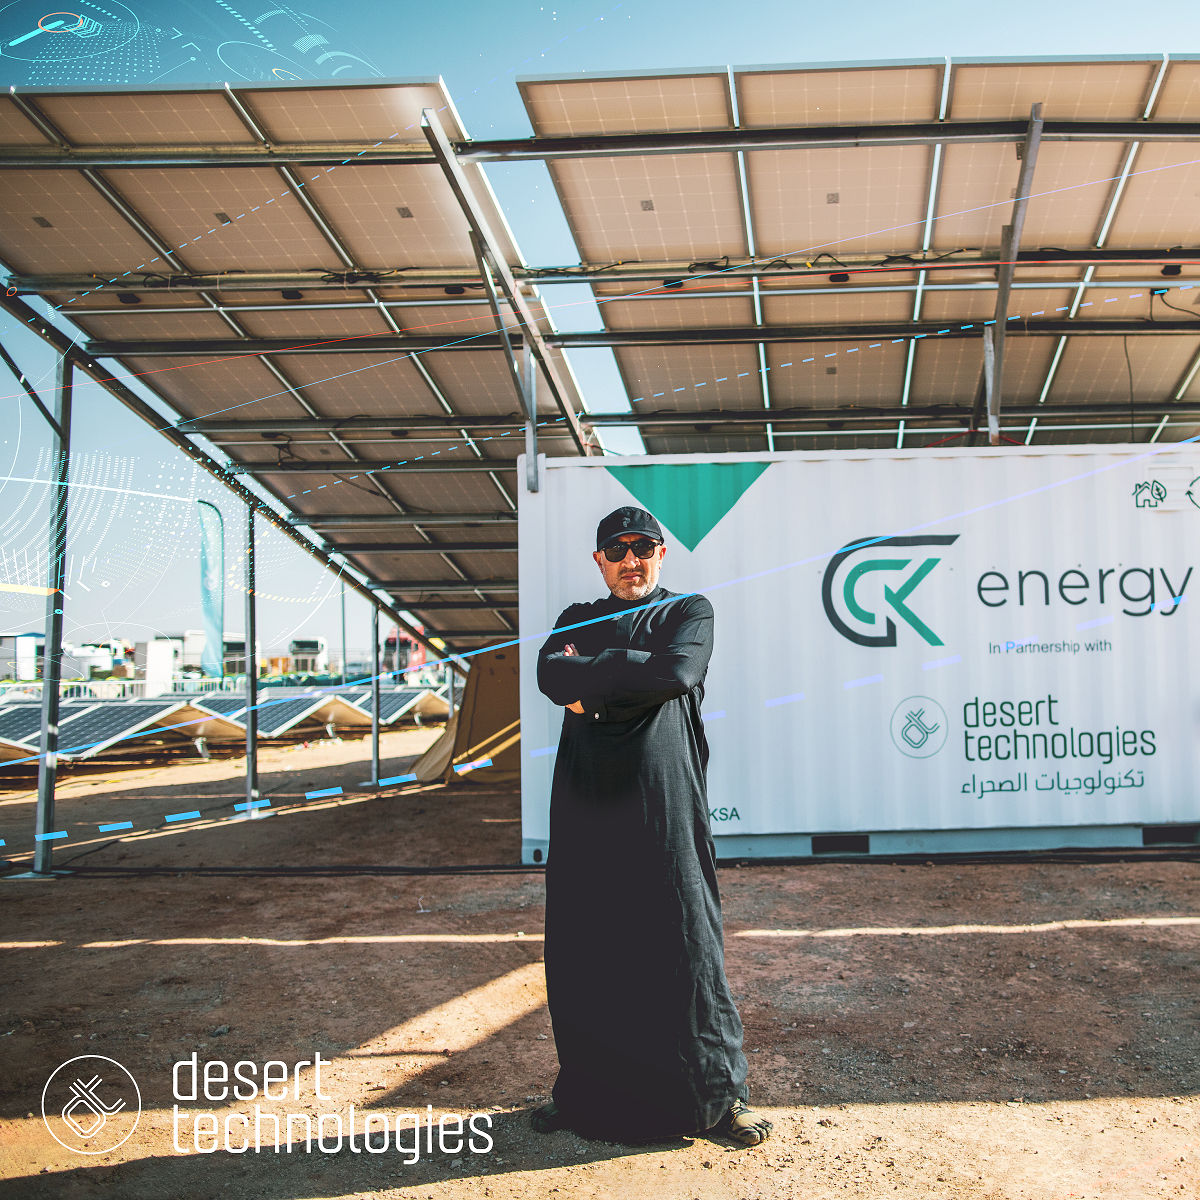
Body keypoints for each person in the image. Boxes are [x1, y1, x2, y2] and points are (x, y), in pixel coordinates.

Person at [531, 505, 772, 1146]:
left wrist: (592, 687)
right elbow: (550, 674)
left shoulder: (689, 612)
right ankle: (584, 1094)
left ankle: (719, 1100)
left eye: (643, 547)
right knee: (585, 946)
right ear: (599, 560)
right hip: (585, 802)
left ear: (661, 553)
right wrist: (631, 672)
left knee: (684, 942)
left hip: (665, 804)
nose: (630, 560)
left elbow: (678, 673)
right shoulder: (574, 617)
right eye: (617, 550)